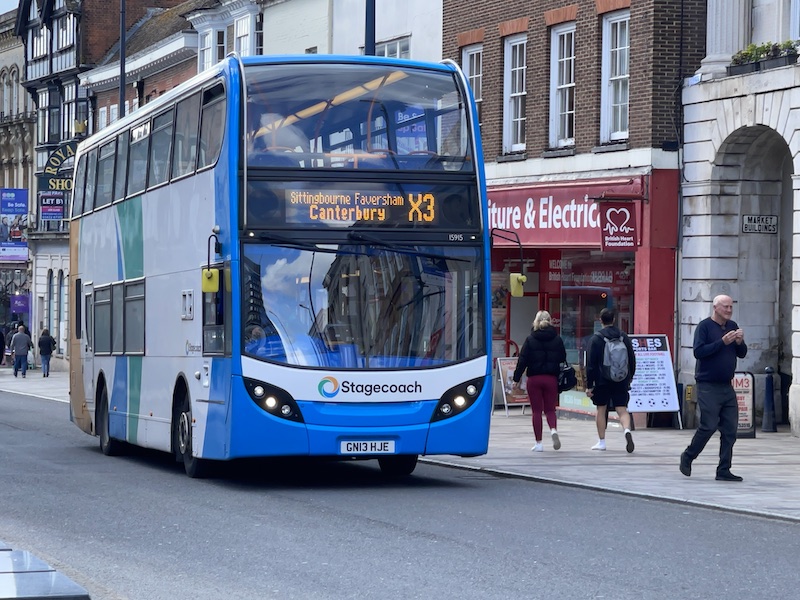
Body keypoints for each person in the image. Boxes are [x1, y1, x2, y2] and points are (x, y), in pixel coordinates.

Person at [680, 295, 747, 481]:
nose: (729, 310)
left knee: (730, 430)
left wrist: (740, 342)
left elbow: (742, 354)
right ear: (715, 307)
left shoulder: (732, 326)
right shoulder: (704, 327)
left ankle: (724, 469)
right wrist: (722, 342)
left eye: (731, 307)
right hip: (707, 385)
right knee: (708, 426)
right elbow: (699, 352)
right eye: (725, 307)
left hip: (727, 385)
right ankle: (688, 456)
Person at [511, 310, 567, 452]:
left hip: (534, 379)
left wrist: (516, 379)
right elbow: (562, 358)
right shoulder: (557, 339)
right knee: (550, 409)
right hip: (551, 379)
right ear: (550, 321)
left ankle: (539, 443)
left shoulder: (530, 339)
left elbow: (522, 361)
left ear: (536, 321)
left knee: (536, 411)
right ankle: (553, 430)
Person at [585, 308, 637, 452]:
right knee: (622, 409)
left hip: (602, 380)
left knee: (601, 409)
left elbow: (591, 365)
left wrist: (589, 385)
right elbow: (632, 359)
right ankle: (627, 430)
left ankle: (602, 442)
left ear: (600, 320)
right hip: (621, 378)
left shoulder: (596, 339)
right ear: (614, 319)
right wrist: (629, 377)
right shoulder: (623, 337)